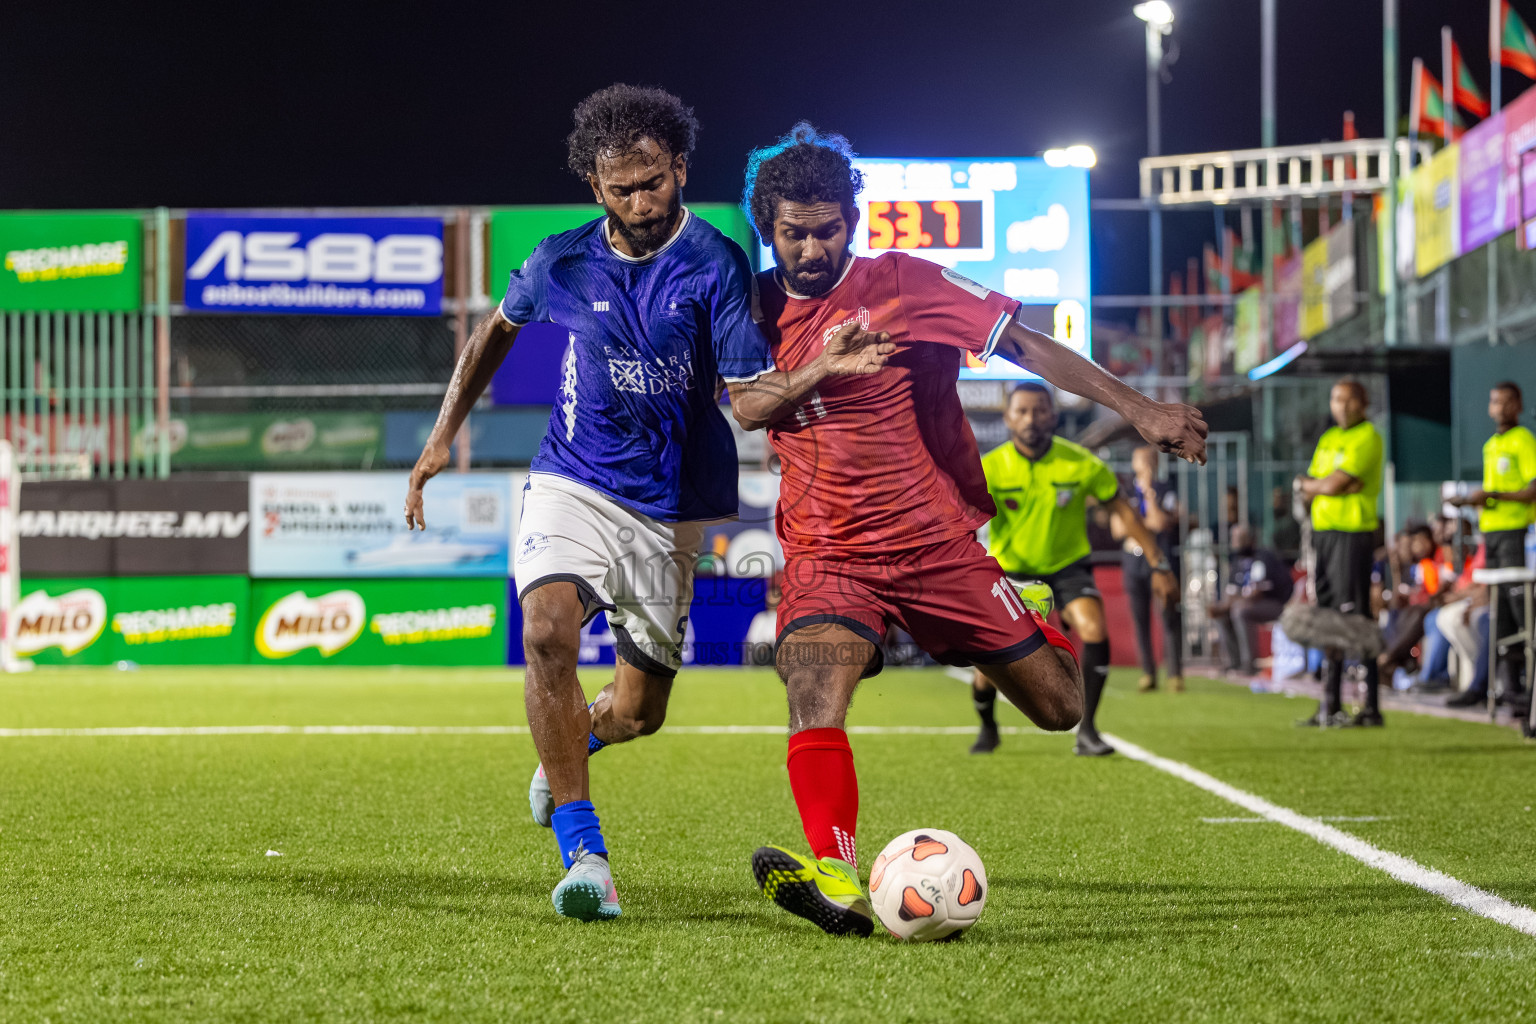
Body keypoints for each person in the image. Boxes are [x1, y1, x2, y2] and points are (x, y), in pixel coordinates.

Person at [404, 87, 894, 922]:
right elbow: (493, 333)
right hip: (572, 478)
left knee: (641, 711)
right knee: (548, 631)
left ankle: (583, 735)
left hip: (669, 507)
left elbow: (748, 397)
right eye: (620, 187)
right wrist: (441, 435)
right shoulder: (558, 260)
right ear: (594, 186)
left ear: (680, 170)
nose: (639, 202)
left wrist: (817, 372)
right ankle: (584, 852)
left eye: (654, 182)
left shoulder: (716, 263)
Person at [737, 123, 1207, 937]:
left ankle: (1022, 609)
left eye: (827, 228)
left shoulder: (903, 282)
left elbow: (1024, 342)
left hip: (933, 546)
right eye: (792, 232)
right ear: (766, 227)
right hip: (828, 555)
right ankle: (836, 877)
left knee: (1061, 708)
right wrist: (822, 367)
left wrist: (1140, 409)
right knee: (812, 686)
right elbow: (746, 404)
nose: (811, 247)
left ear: (852, 217)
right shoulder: (748, 304)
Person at [973, 387, 1180, 756]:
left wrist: (1159, 563)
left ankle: (1088, 731)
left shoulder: (1081, 463)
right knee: (986, 669)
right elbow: (960, 520)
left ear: (1053, 415)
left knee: (1094, 627)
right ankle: (988, 729)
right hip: (1010, 572)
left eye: (1039, 410)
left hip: (1067, 567)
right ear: (1008, 418)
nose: (1031, 418)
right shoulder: (988, 467)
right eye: (1021, 411)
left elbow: (1125, 513)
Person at [1294, 378, 1385, 728]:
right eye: (1335, 399)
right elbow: (1314, 487)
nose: (1341, 406)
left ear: (1362, 403)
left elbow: (1327, 484)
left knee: (1358, 619)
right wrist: (1323, 486)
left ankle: (1371, 706)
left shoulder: (1369, 437)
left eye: (1348, 400)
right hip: (1324, 536)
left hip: (1353, 536)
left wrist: (1322, 486)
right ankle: (1329, 705)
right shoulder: (1330, 439)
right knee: (1327, 617)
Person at [1447, 382, 1536, 709]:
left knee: (1520, 614)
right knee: (1499, 615)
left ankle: (1526, 691)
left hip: (1516, 533)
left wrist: (1493, 496)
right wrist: (1473, 502)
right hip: (1492, 534)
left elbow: (1532, 489)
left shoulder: (1524, 440)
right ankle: (1508, 691)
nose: (1499, 407)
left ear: (1518, 404)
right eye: (1494, 400)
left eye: (1506, 401)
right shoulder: (1490, 445)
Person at [1118, 445, 1185, 693]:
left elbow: (1159, 522)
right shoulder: (1123, 492)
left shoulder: (1165, 489)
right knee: (1140, 619)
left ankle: (1175, 673)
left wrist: (1147, 494)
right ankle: (1148, 672)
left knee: (1169, 614)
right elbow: (1118, 528)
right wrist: (1139, 525)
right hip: (1132, 560)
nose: (1144, 466)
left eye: (1149, 461)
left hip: (1159, 559)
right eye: (1140, 461)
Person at [1207, 523, 1293, 676]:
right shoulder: (1237, 561)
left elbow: (1257, 593)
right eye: (1233, 538)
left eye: (1239, 538)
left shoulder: (1263, 557)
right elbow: (1231, 592)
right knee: (1224, 614)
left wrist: (1229, 604)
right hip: (1247, 604)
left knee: (1239, 610)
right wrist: (1222, 607)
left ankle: (1249, 664)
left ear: (1250, 539)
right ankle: (1234, 662)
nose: (1235, 542)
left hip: (1275, 603)